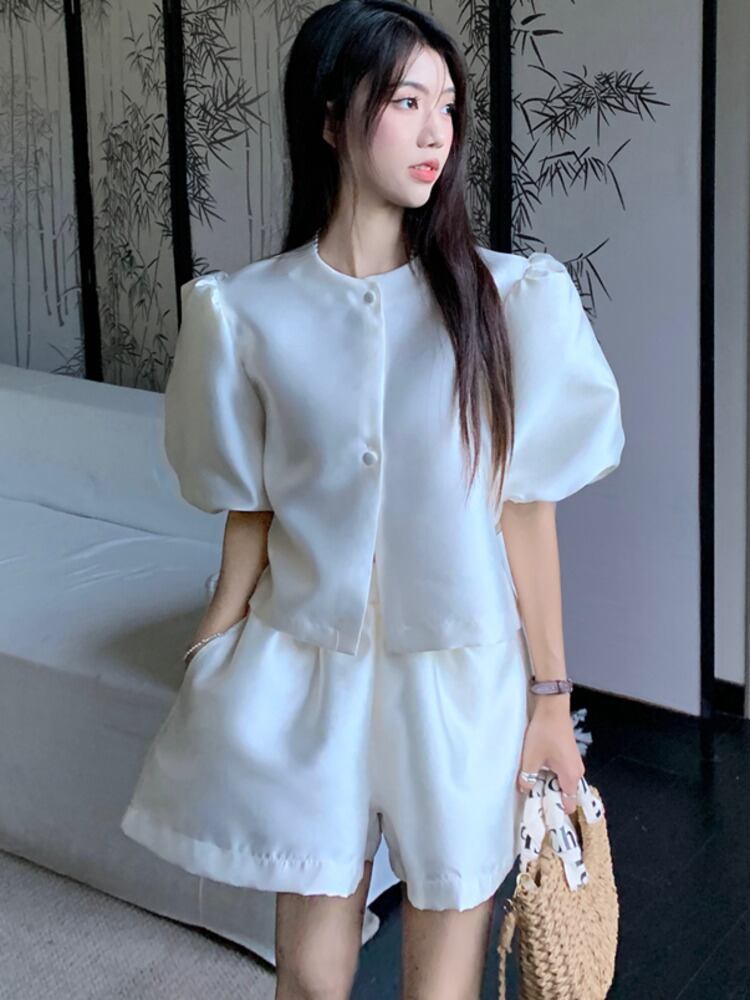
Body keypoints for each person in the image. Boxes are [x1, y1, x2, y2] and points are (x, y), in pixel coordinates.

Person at [120, 1, 625, 997]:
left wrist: (550, 700)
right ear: (328, 117)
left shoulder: (508, 302)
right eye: (405, 101)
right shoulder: (244, 313)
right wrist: (214, 643)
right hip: (309, 674)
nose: (438, 131)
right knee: (310, 976)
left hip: (462, 682)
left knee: (440, 985)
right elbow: (253, 506)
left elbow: (525, 511)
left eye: (447, 105)